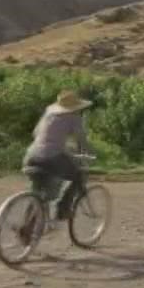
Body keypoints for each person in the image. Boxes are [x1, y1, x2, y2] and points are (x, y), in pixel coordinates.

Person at [23, 89, 96, 221]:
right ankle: (62, 209)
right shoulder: (74, 118)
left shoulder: (49, 113)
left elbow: (36, 133)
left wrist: (63, 146)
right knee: (78, 175)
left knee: (39, 191)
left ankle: (27, 225)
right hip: (51, 158)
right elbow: (81, 140)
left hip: (31, 155)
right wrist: (89, 153)